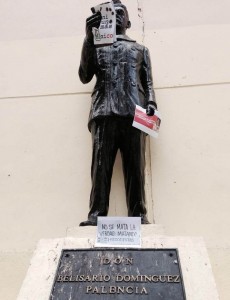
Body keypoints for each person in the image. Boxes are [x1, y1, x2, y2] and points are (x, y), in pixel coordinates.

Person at [79, 0, 157, 226]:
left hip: (135, 113)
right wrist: (88, 39)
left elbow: (148, 82)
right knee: (100, 168)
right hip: (104, 111)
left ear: (128, 21)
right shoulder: (96, 47)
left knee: (136, 168)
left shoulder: (141, 50)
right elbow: (84, 75)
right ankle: (96, 215)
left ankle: (139, 215)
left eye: (121, 13)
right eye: (113, 13)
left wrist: (151, 101)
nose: (117, 16)